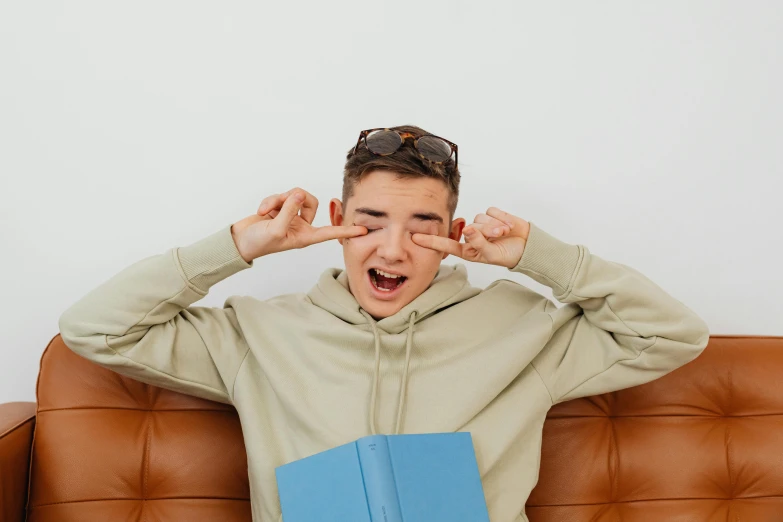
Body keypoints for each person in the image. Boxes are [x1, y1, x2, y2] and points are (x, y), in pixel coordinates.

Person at [58, 125, 711, 522]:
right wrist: (238, 246)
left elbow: (675, 334)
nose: (392, 251)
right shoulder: (256, 335)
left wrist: (536, 257)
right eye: (369, 224)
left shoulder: (524, 331)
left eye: (422, 226)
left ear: (455, 233)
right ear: (337, 219)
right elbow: (95, 329)